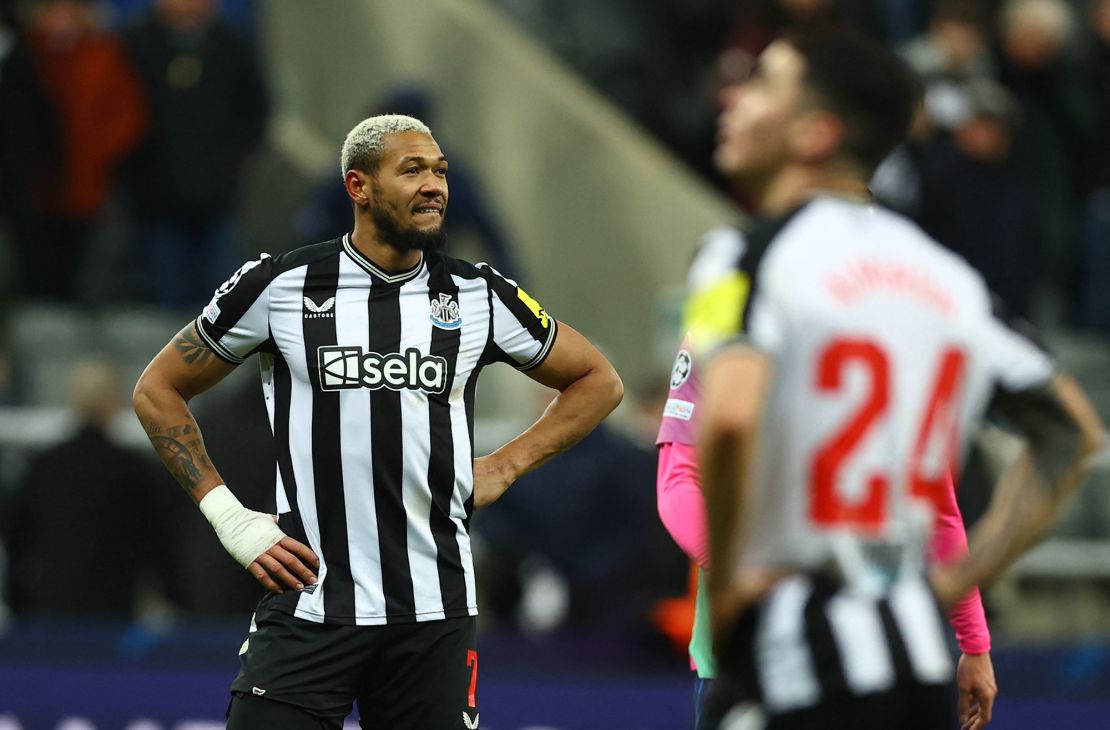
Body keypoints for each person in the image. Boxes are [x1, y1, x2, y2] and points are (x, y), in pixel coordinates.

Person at [132, 114, 623, 729]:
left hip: (434, 613)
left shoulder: (478, 294)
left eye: (440, 171)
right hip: (311, 603)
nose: (434, 185)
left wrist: (505, 463)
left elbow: (598, 381)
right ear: (358, 186)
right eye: (412, 170)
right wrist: (229, 517)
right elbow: (157, 390)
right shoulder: (282, 285)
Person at [687, 30, 1104, 730]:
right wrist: (951, 585)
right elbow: (1073, 431)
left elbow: (726, 421)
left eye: (763, 86)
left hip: (797, 644)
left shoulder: (739, 256)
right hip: (915, 650)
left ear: (815, 133)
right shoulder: (951, 281)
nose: (733, 100)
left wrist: (728, 590)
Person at [657, 282, 996, 726]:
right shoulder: (905, 316)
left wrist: (974, 642)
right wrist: (974, 642)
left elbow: (937, 508)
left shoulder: (731, 309)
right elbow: (680, 484)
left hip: (830, 649)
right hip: (814, 649)